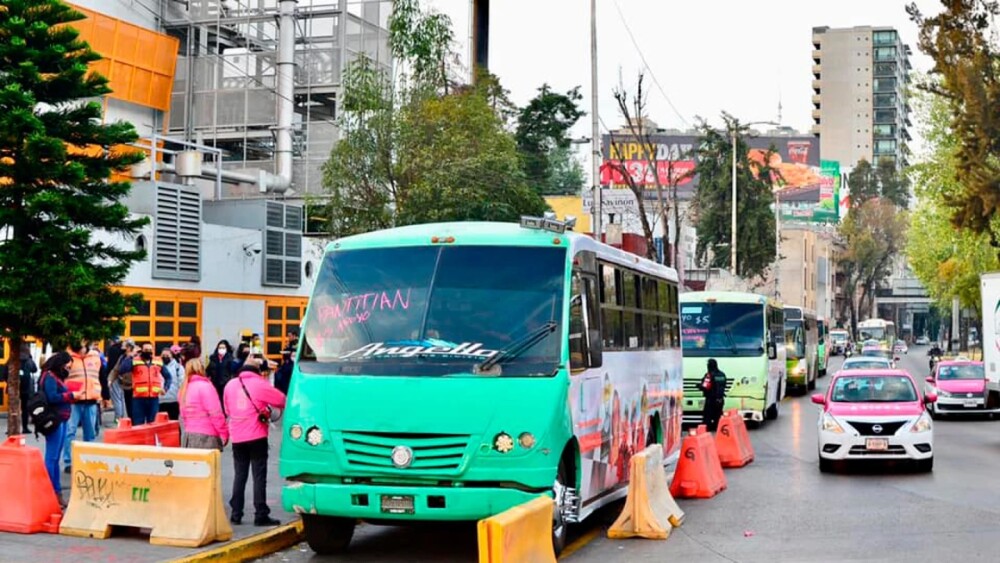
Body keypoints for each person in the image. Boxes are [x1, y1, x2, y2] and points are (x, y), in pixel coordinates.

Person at [224, 356, 286, 526]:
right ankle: (260, 513)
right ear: (257, 371)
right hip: (257, 436)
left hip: (237, 437)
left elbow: (227, 409)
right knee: (259, 476)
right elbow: (281, 400)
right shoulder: (260, 384)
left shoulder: (230, 385)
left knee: (240, 475)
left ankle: (236, 513)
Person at [39, 352, 76, 500]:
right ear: (60, 363)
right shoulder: (49, 377)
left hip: (61, 419)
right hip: (54, 419)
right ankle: (51, 490)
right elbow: (52, 397)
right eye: (67, 366)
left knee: (55, 457)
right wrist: (71, 396)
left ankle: (57, 489)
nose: (68, 368)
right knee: (52, 457)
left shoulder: (55, 377)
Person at [62, 341, 103, 473]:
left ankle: (88, 460)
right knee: (70, 432)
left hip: (91, 399)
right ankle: (68, 462)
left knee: (90, 433)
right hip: (73, 400)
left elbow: (101, 376)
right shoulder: (67, 358)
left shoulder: (96, 357)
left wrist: (104, 396)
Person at [179, 359, 228, 450]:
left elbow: (183, 416)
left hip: (189, 436)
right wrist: (224, 433)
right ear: (202, 369)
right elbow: (215, 413)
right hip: (207, 436)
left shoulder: (183, 389)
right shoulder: (206, 386)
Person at [131, 343, 164, 425]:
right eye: (146, 350)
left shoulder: (157, 361)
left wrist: (165, 388)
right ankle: (139, 438)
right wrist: (131, 356)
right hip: (139, 398)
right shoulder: (135, 361)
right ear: (141, 351)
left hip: (153, 398)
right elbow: (123, 369)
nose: (148, 352)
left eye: (150, 350)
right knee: (138, 423)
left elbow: (168, 376)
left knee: (153, 423)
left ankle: (150, 438)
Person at [697, 358, 728, 432]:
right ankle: (718, 430)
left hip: (711, 399)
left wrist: (698, 386)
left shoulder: (709, 375)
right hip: (720, 399)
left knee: (707, 416)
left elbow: (705, 386)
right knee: (718, 415)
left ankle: (706, 431)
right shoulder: (722, 374)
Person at [108, 340, 135, 421]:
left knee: (133, 409)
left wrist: (130, 357)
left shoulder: (135, 357)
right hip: (125, 386)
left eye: (123, 346)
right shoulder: (122, 357)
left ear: (129, 348)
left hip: (134, 386)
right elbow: (116, 369)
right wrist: (110, 379)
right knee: (128, 406)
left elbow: (124, 368)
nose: (121, 347)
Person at [158, 346, 184, 421]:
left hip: (173, 400)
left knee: (173, 422)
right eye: (163, 356)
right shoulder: (157, 366)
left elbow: (181, 383)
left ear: (172, 356)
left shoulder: (178, 367)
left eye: (167, 356)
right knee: (161, 424)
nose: (165, 357)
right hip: (160, 400)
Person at [18, 345, 38, 434]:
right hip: (26, 388)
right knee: (25, 409)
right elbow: (35, 369)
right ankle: (25, 427)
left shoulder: (13, 359)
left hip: (15, 388)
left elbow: (5, 372)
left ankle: (11, 426)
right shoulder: (29, 360)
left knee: (13, 408)